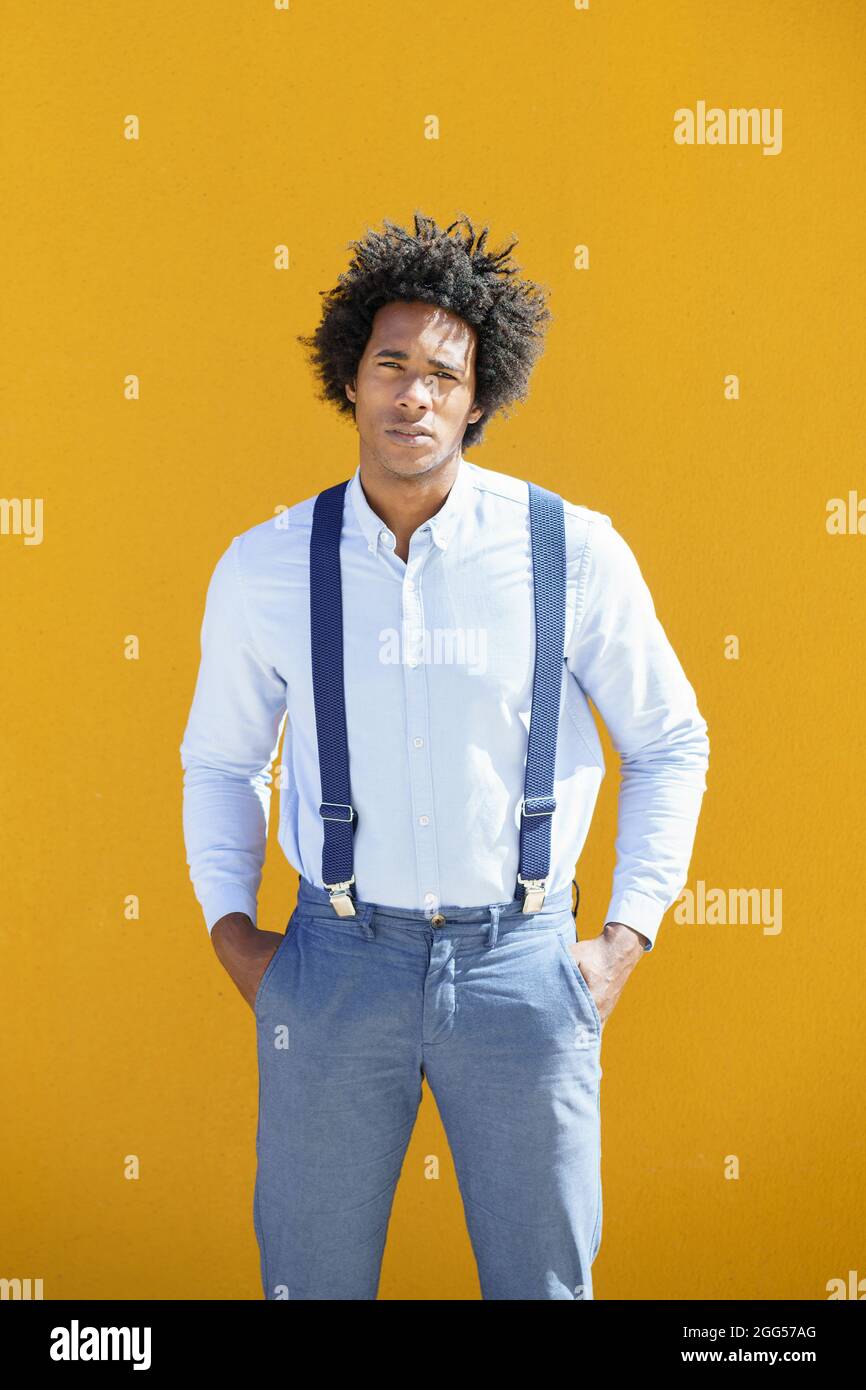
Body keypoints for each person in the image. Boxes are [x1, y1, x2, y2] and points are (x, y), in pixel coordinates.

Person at [179, 211, 710, 1300]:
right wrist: (236, 935)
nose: (412, 395)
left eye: (440, 373)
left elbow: (668, 740)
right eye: (390, 366)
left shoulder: (571, 551)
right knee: (310, 1285)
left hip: (522, 963)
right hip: (334, 965)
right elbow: (221, 763)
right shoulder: (265, 565)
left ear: (479, 397)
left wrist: (622, 938)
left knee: (543, 1289)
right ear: (351, 380)